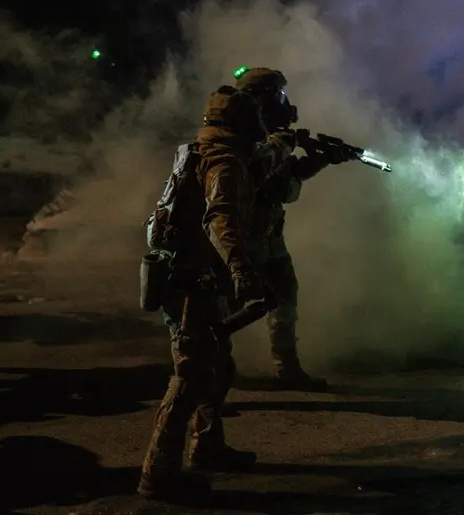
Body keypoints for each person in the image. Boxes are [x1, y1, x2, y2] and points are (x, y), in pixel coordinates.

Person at [138, 85, 292, 501]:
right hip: (193, 284)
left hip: (198, 278)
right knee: (189, 378)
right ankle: (158, 474)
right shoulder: (223, 162)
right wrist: (241, 269)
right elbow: (219, 219)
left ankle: (207, 446)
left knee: (218, 369)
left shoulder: (206, 152)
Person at [235, 67, 352, 390]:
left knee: (284, 294)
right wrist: (286, 142)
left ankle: (286, 367)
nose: (285, 103)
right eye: (278, 95)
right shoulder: (242, 139)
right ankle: (208, 369)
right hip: (238, 238)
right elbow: (258, 172)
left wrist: (325, 159)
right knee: (220, 308)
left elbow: (287, 179)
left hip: (268, 234)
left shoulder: (273, 137)